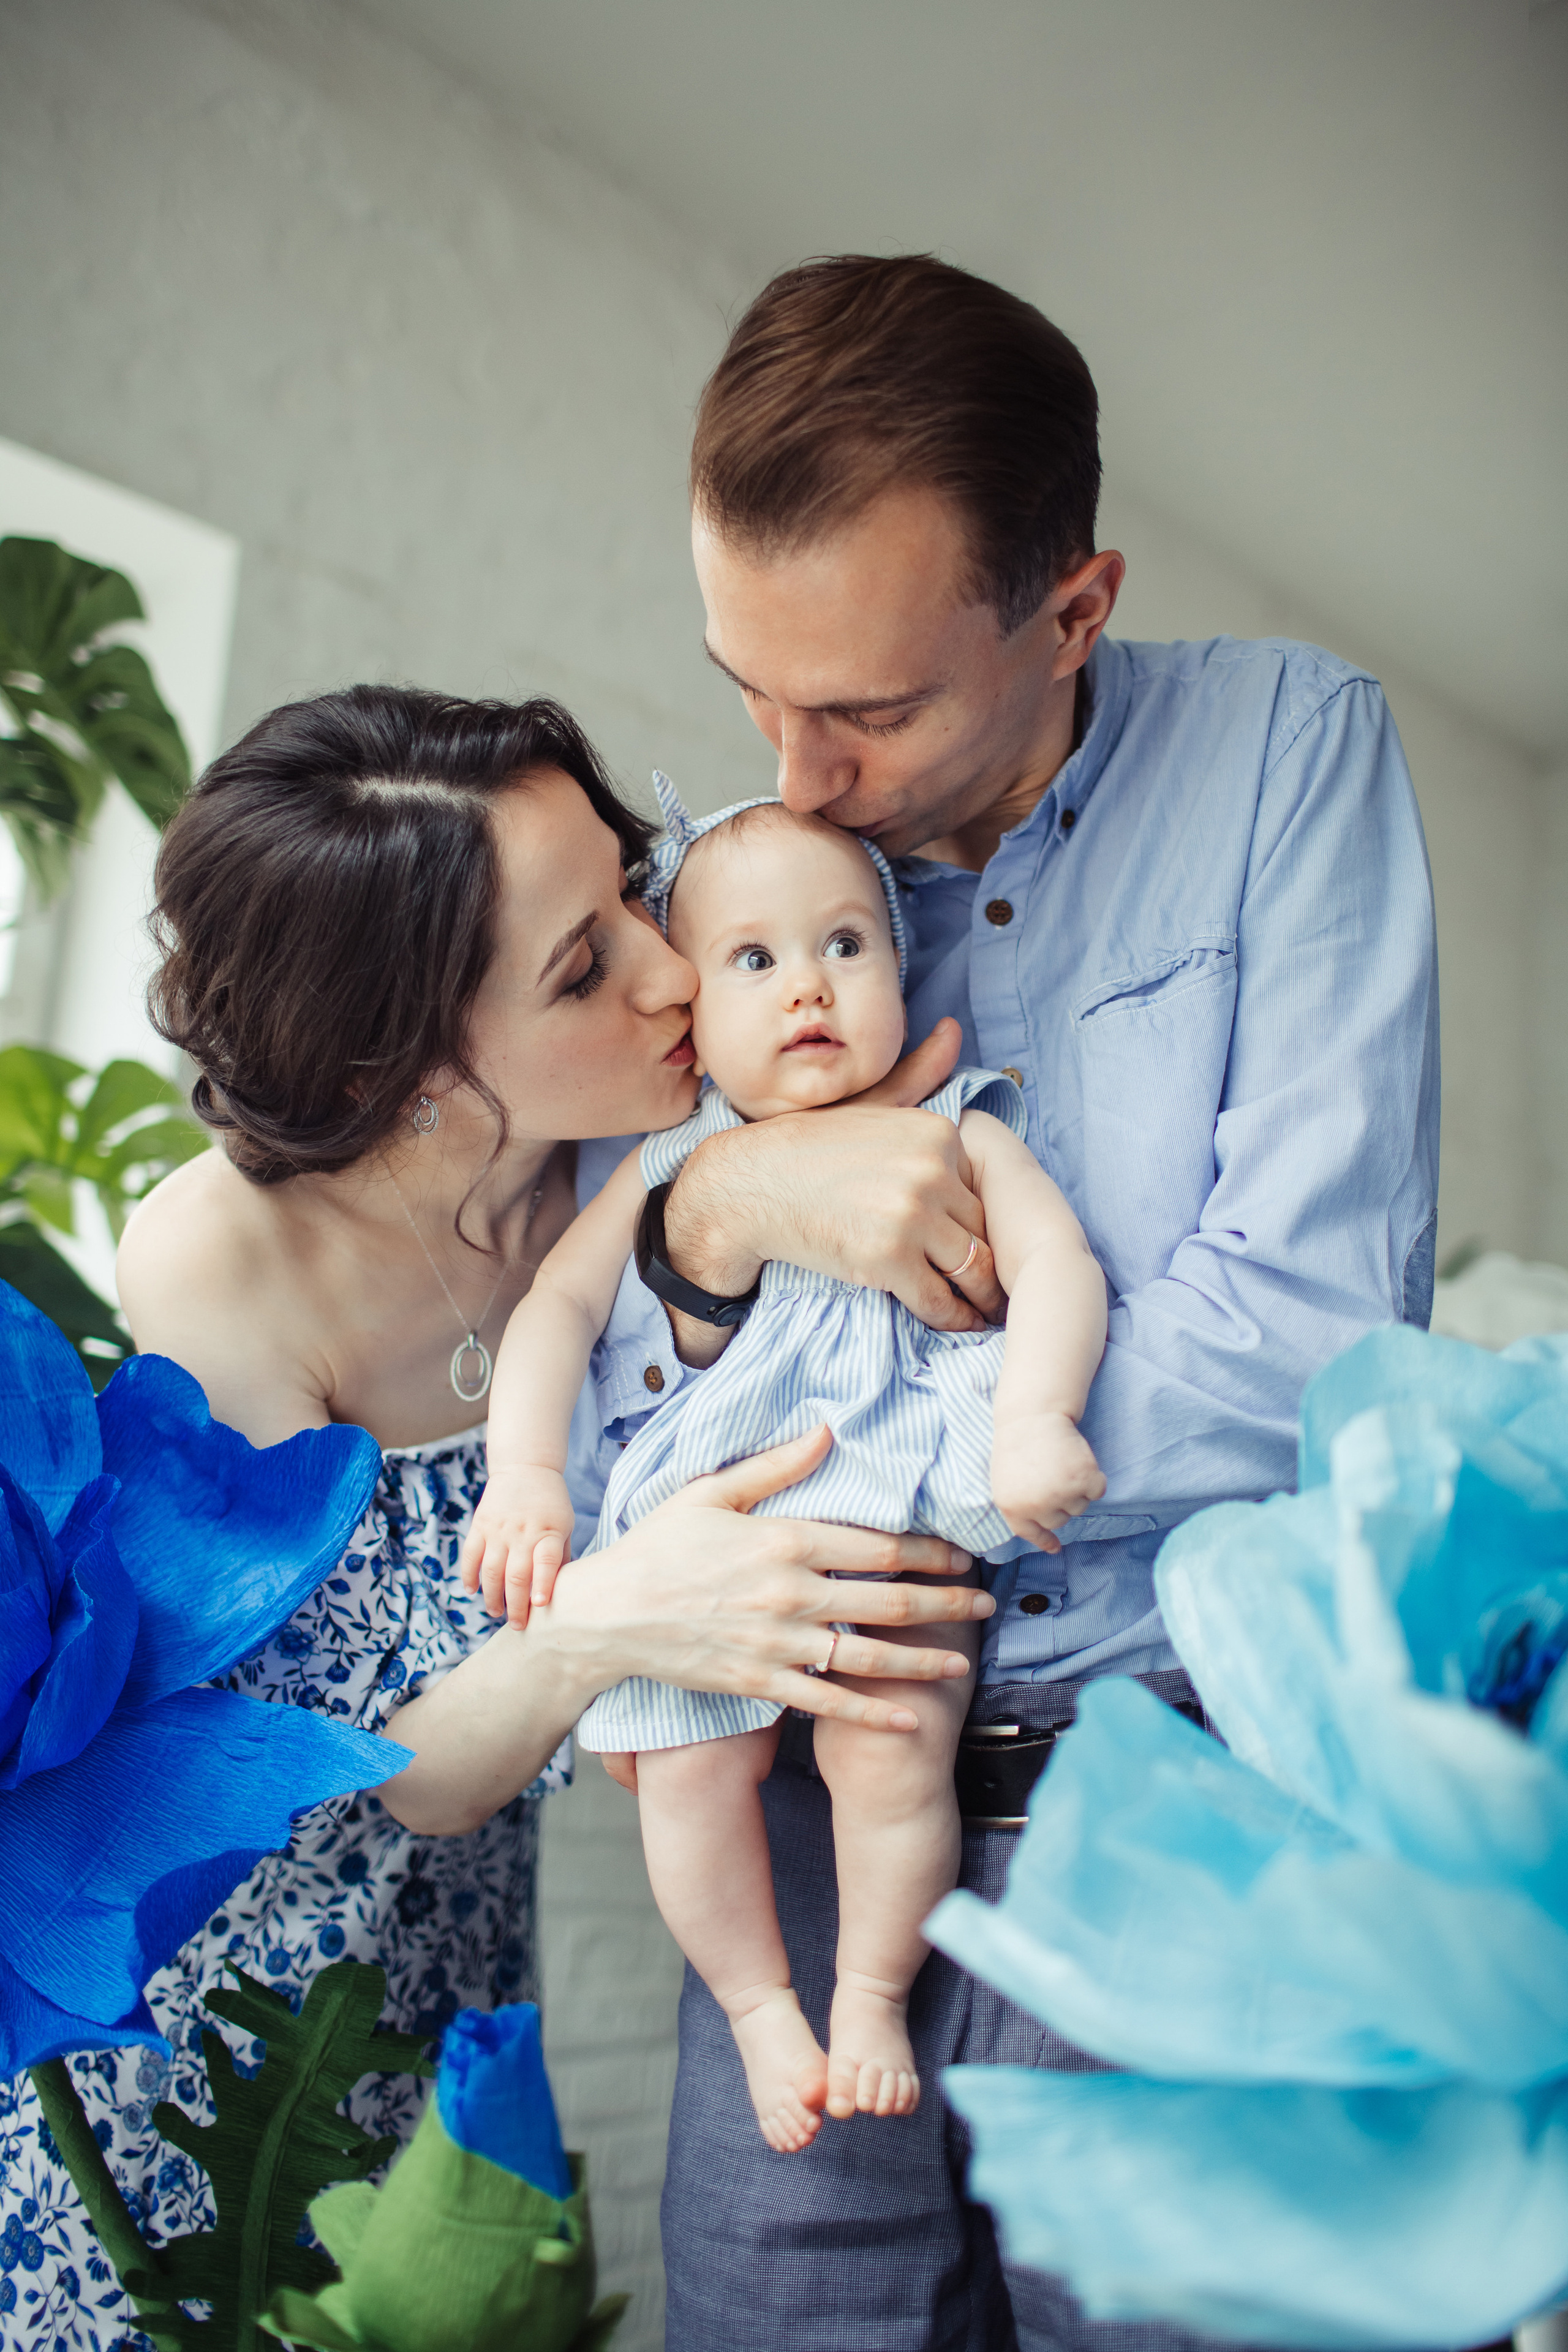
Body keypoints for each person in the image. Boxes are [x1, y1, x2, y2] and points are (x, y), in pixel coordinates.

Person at [620, 257, 1441, 2351]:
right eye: (748, 691)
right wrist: (718, 1217)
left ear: (1072, 611)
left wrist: (854, 1492)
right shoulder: (749, 867)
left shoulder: (1288, 755)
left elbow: (1311, 1347)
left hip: (1185, 1817)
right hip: (803, 1832)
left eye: (869, 712)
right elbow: (624, 1332)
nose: (792, 783)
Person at [0, 685, 991, 2352]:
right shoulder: (223, 1263)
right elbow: (378, 1772)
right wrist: (615, 1617)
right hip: (206, 2041)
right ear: (409, 1067)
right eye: (584, 966)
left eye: (628, 885)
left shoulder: (620, 1143)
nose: (673, 967)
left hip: (454, 1994)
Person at [464, 778, 1106, 2154]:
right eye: (753, 960)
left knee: (894, 1753)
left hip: (892, 1512)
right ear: (693, 1003)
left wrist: (1037, 1418)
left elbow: (1057, 1263)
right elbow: (556, 1318)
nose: (805, 986)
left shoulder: (960, 1126)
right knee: (683, 1781)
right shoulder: (663, 1166)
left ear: (899, 965)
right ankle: (761, 2007)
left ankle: (869, 1995)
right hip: (701, 1532)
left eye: (844, 945)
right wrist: (528, 1479)